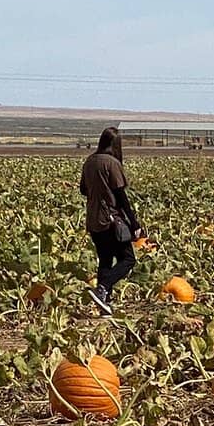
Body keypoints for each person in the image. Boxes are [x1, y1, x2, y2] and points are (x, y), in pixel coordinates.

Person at [80, 126, 143, 316]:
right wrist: (134, 223)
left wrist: (98, 192)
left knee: (105, 260)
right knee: (128, 259)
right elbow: (121, 196)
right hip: (110, 219)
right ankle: (103, 288)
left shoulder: (90, 161)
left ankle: (104, 303)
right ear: (116, 144)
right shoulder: (112, 163)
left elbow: (83, 190)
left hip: (93, 218)